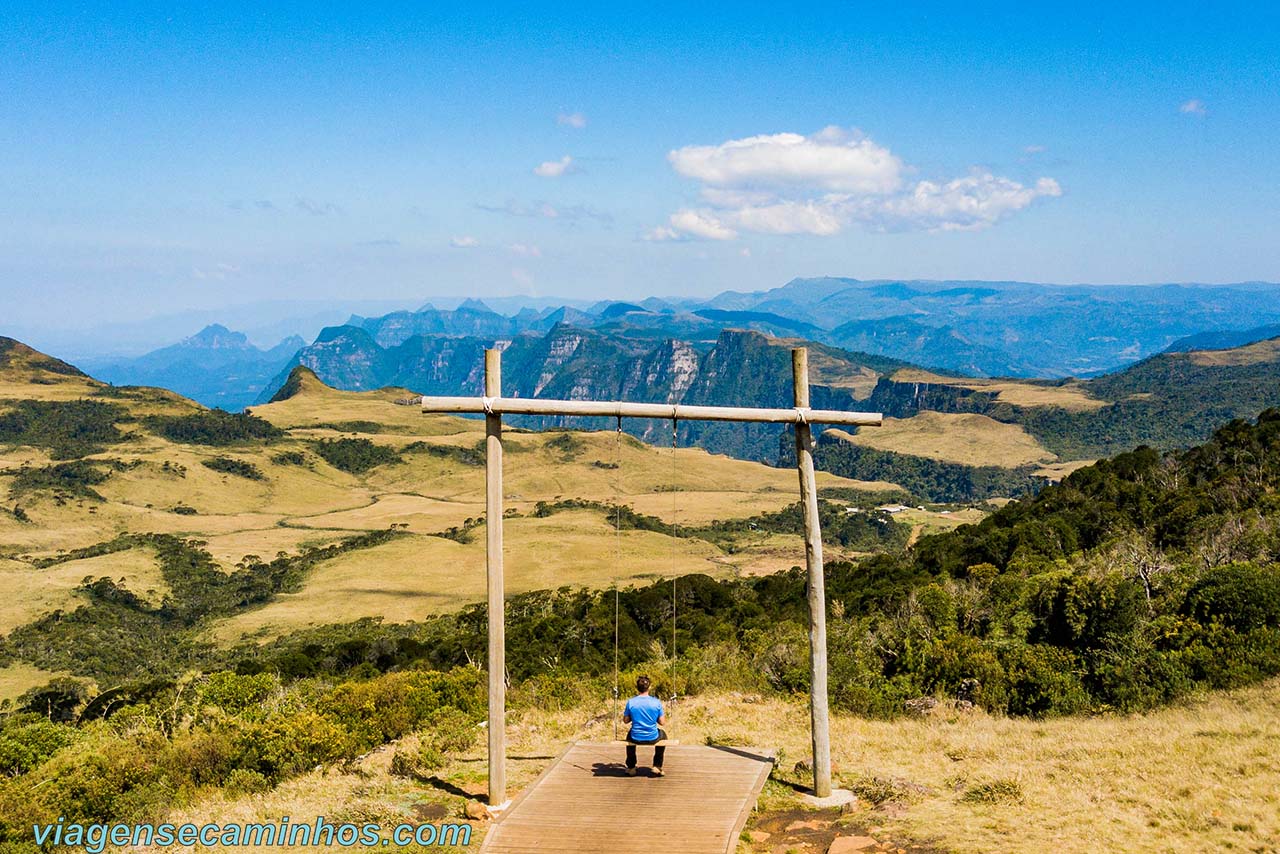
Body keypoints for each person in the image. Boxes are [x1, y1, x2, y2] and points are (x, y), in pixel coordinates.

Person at [622, 675, 667, 776]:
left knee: (629, 735)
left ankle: (631, 767)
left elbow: (626, 720)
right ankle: (657, 765)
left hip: (635, 737)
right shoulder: (656, 702)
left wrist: (634, 716)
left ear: (637, 687)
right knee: (663, 735)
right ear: (649, 687)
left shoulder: (631, 702)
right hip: (652, 737)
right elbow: (662, 722)